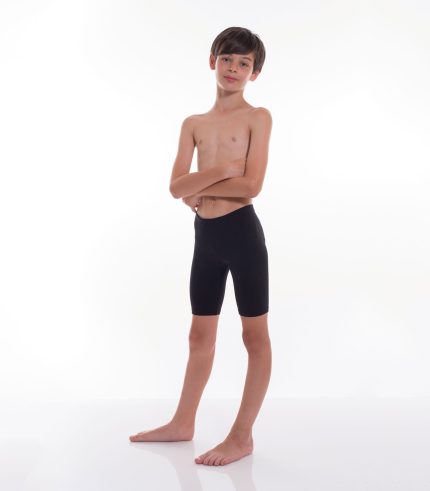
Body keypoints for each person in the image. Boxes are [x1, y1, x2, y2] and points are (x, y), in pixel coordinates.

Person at [129, 26, 273, 467]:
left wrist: (200, 186)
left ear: (254, 72)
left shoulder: (257, 117)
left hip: (242, 234)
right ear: (213, 61)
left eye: (244, 63)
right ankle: (182, 422)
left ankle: (242, 436)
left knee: (254, 336)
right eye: (227, 59)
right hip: (206, 237)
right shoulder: (193, 124)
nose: (234, 68)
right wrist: (221, 172)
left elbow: (251, 185)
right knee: (199, 334)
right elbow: (176, 187)